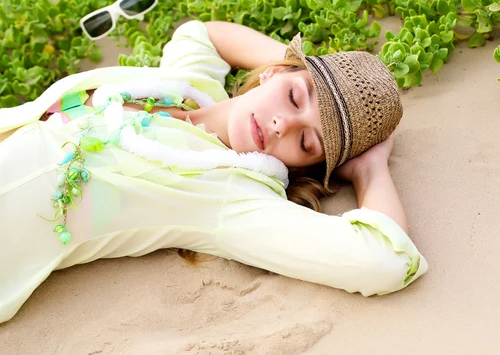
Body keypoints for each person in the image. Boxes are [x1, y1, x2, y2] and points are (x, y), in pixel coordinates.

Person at [0, 20, 427, 323]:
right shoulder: (188, 86)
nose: (282, 124)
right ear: (275, 74)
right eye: (295, 98)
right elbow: (201, 33)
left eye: (306, 142)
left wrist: (370, 171)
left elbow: (383, 260)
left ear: (306, 165)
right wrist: (291, 62)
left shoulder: (231, 193)